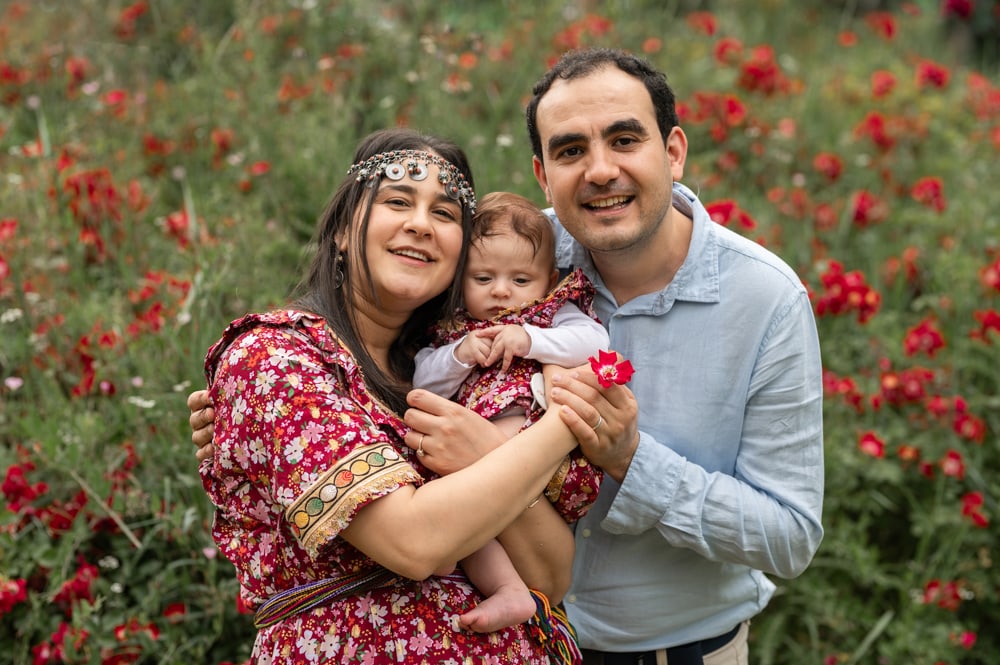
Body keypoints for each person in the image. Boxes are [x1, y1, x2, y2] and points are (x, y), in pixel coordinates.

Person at [191, 47, 825, 665]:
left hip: (674, 649)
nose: (600, 171)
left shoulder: (764, 299)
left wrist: (629, 459)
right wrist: (247, 399)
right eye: (571, 150)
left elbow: (787, 536)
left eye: (625, 139)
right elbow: (401, 512)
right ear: (542, 175)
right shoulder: (511, 254)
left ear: (674, 151)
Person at [194, 127, 597, 664]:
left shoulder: (453, 373)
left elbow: (550, 575)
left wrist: (486, 450)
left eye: (445, 213)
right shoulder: (276, 358)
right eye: (398, 201)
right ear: (343, 230)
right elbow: (414, 543)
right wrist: (568, 419)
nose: (420, 224)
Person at [412, 191, 611, 442]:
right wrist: (460, 355)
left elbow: (596, 342)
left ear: (550, 282)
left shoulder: (547, 313)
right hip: (460, 432)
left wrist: (530, 340)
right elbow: (421, 385)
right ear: (460, 278)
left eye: (520, 280)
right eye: (483, 278)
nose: (500, 291)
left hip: (529, 428)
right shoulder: (454, 325)